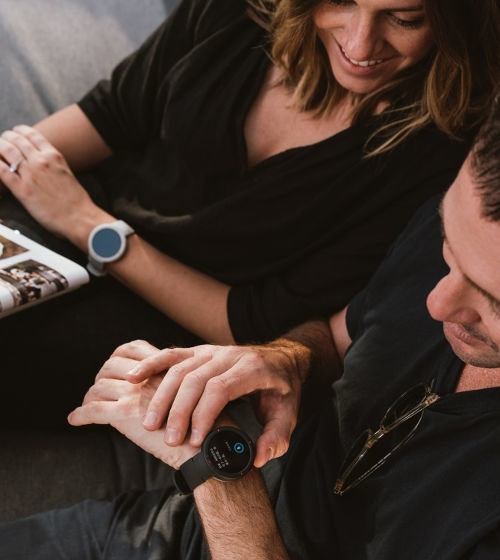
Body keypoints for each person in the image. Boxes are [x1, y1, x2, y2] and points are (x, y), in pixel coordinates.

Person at [3, 88, 500, 559]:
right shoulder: (469, 225)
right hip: (173, 530)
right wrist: (283, 361)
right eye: (446, 252)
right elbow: (337, 338)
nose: (437, 303)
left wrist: (219, 472)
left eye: (493, 302)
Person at [0, 0, 497, 427]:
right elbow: (112, 114)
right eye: (340, 0)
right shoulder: (239, 13)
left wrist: (89, 226)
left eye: (404, 18)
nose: (360, 43)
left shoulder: (438, 159)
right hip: (63, 220)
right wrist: (25, 172)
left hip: (159, 318)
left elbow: (254, 323)